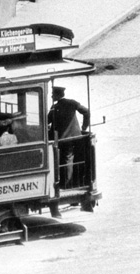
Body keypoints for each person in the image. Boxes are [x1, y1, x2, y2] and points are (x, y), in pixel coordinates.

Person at [48, 86, 90, 218]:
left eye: (52, 95)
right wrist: (84, 127)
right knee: (71, 160)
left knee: (65, 161)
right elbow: (86, 112)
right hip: (77, 137)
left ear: (56, 95)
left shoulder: (54, 108)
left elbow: (46, 122)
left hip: (63, 140)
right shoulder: (72, 103)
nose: (51, 97)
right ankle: (70, 183)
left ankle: (66, 185)